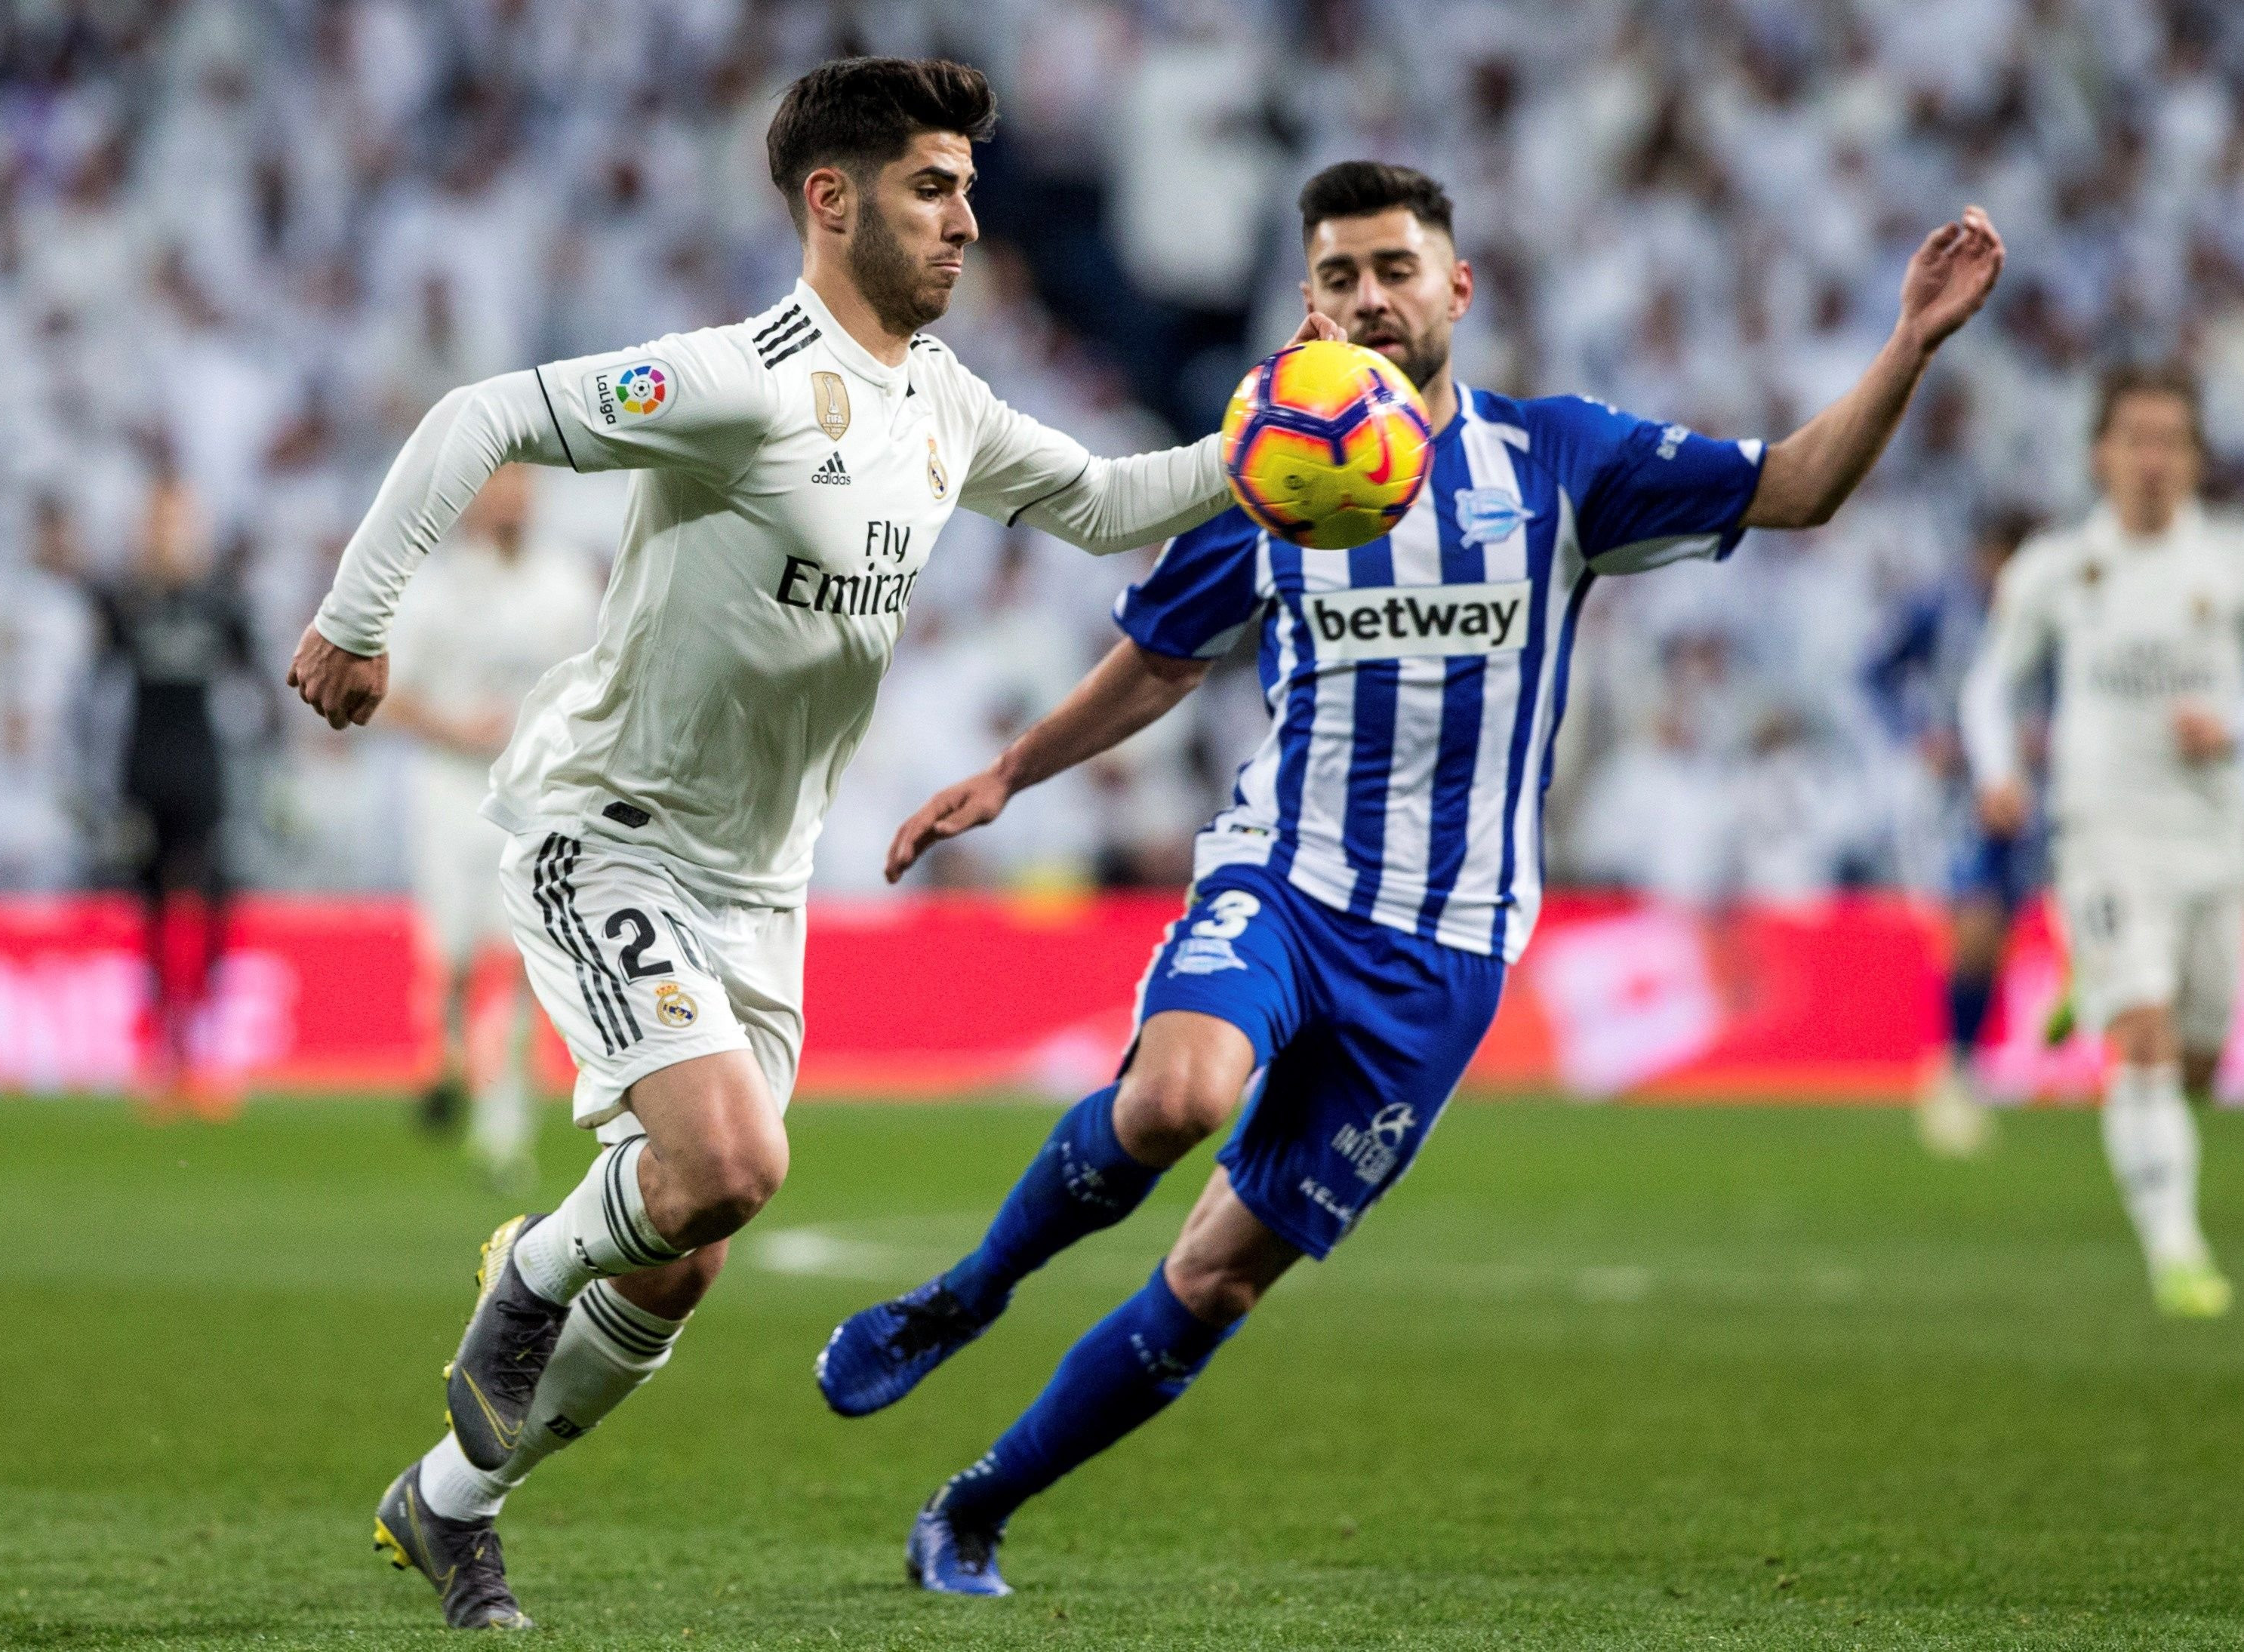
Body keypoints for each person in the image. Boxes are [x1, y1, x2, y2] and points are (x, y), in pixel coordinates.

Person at [814, 161, 2005, 1595]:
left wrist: (1908, 345)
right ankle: (965, 1292)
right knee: (1176, 1092)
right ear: (1304, 301)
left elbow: (1796, 486)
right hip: (1285, 874)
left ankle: (974, 1504)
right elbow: (1159, 663)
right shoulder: (1273, 462)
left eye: (1391, 269)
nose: (1366, 300)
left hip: (1446, 948)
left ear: (1456, 287)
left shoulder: (1558, 460)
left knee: (1216, 1277)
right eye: (1335, 277)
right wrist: (1013, 769)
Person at [286, 57, 1340, 1632]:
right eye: (934, 187)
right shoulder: (741, 381)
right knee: (725, 1161)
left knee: (692, 1242)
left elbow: (1117, 501)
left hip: (757, 888)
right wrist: (357, 620)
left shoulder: (941, 405)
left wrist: (1264, 441)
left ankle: (448, 1499)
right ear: (830, 202)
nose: (968, 221)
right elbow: (481, 411)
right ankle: (527, 1274)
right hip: (609, 827)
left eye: (972, 189)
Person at [1960, 365, 2238, 1319]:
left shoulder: (2230, 567)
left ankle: (2092, 979)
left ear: (2196, 458)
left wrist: (2230, 725)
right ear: (2100, 454)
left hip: (2217, 842)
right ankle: (2178, 1254)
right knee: (2147, 1041)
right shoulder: (2058, 566)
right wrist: (1996, 770)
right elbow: (1991, 683)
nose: (2152, 460)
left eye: (2170, 441)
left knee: (2198, 1060)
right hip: (2107, 833)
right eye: (2135, 440)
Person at [378, 463, 597, 1185]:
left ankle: (505, 1113)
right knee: (456, 952)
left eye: (522, 485)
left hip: (533, 789)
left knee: (530, 955)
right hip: (450, 786)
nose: (511, 500)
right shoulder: (439, 588)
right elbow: (390, 694)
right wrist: (454, 728)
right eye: (498, 486)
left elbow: (597, 681)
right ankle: (444, 1059)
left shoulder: (564, 581)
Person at [96, 475, 261, 1112]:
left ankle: (208, 1044)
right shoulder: (124, 604)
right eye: (160, 525)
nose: (169, 539)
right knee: (152, 912)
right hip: (144, 767)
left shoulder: (221, 604)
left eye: (179, 526)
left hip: (202, 765)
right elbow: (96, 690)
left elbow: (256, 686)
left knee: (214, 900)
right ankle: (163, 1052)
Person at [1889, 509, 2044, 1158]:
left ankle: (1968, 1064)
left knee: (2003, 923)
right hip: (1961, 796)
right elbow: (1874, 673)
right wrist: (1915, 737)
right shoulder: (1942, 611)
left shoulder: (2049, 610)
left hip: (2038, 786)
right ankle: (1954, 1068)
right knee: (1977, 916)